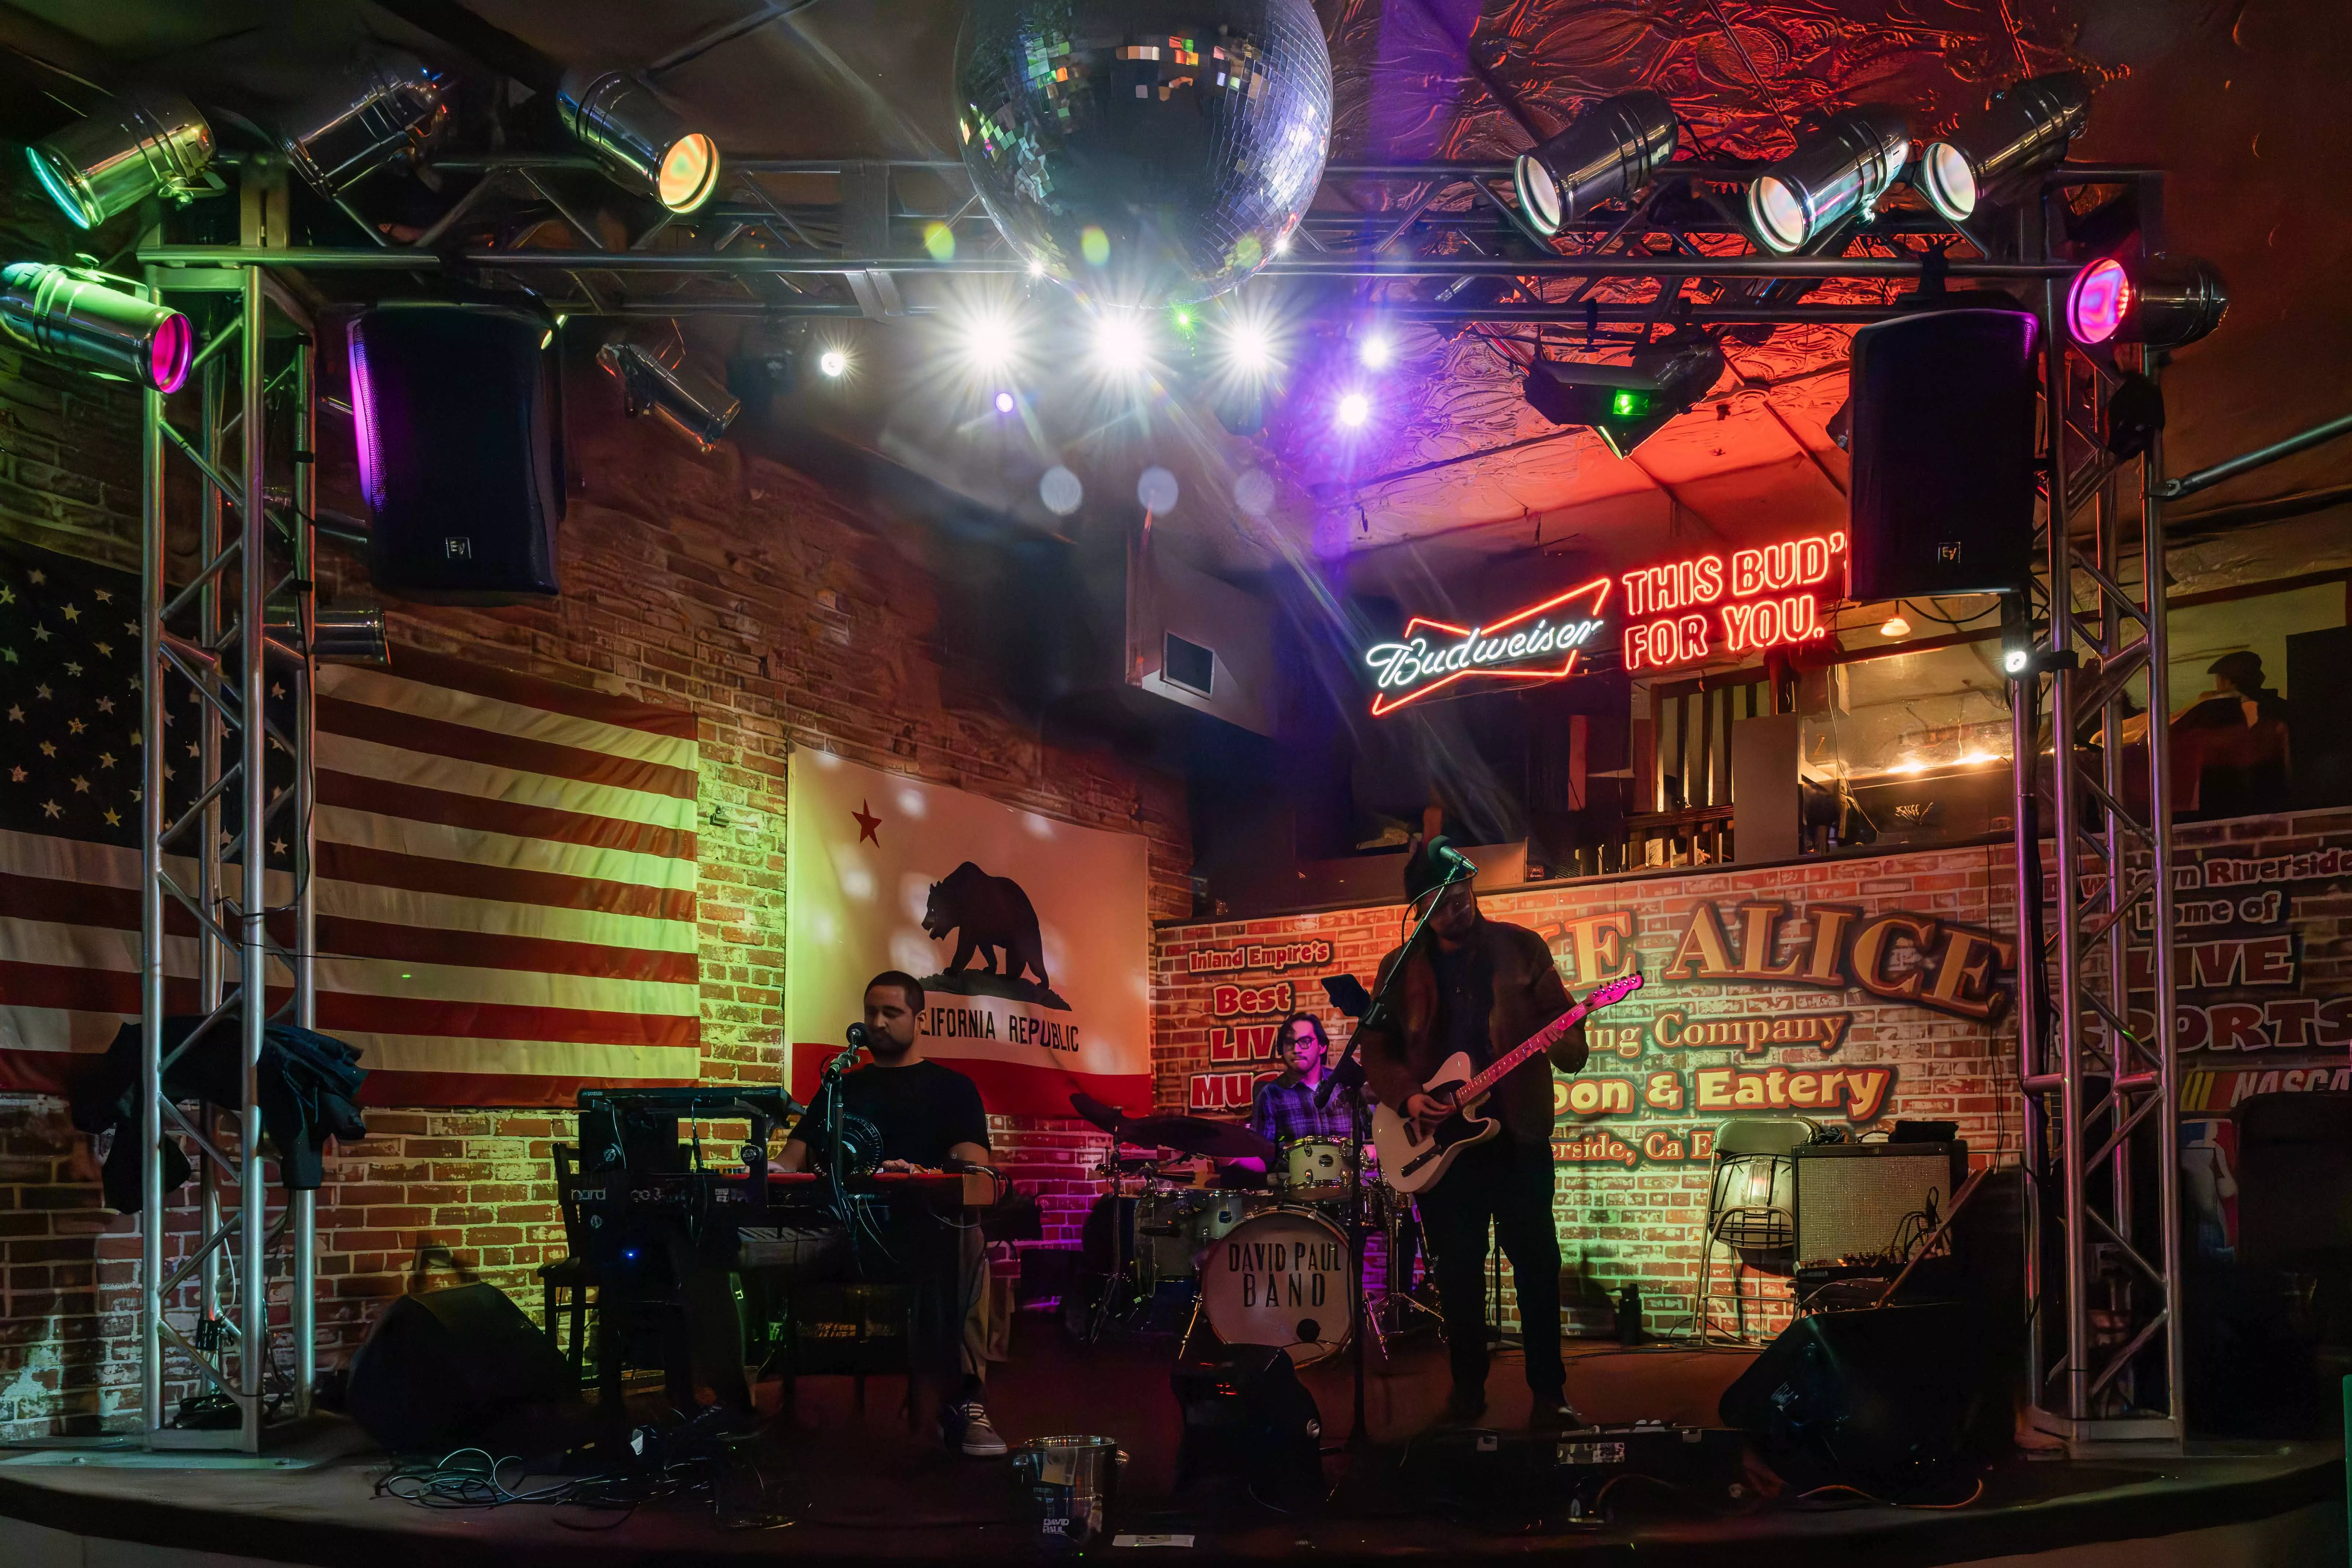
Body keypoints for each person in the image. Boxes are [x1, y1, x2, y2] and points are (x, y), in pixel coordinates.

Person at [1356, 836, 1590, 1429]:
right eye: (1441, 895)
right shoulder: (1398, 967)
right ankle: (1466, 1393)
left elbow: (1570, 1047)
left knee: (1536, 1266)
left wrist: (1567, 1033)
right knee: (1456, 1276)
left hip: (1517, 1138)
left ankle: (1549, 1395)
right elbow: (1376, 1051)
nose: (1456, 902)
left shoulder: (1521, 949)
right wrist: (1411, 1096)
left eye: (1461, 889)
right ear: (1422, 903)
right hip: (1441, 1147)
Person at [778, 971, 1007, 1457]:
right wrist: (764, 1166)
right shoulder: (841, 1087)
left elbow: (975, 1163)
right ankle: (742, 1398)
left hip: (920, 1233)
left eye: (892, 1012)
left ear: (919, 1018)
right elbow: (790, 1158)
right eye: (871, 1013)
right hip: (839, 1231)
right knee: (731, 1240)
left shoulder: (952, 1088)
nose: (877, 1022)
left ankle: (966, 1398)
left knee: (970, 1239)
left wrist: (924, 1169)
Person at [1226, 1013, 1359, 1176]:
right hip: (1293, 1194)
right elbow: (1262, 1154)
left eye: (1305, 1042)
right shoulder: (1271, 1095)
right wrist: (1238, 1166)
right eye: (1289, 1043)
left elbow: (1372, 1139)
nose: (1296, 1050)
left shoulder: (1344, 1087)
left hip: (1346, 1189)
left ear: (1322, 1047)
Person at [2175, 650, 2291, 817]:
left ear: (2226, 681)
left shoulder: (2215, 709)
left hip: (2225, 803)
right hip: (2269, 804)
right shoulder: (2276, 708)